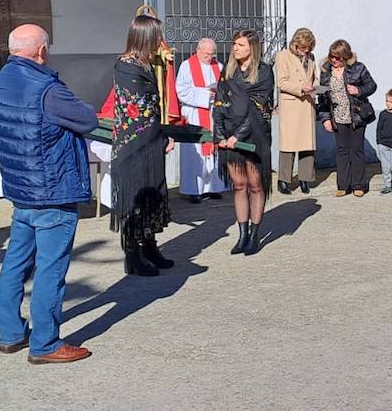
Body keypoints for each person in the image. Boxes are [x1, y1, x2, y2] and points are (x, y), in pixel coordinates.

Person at [0, 24, 94, 364]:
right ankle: (45, 343)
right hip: (53, 190)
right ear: (41, 51)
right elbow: (87, 119)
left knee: (16, 263)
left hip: (21, 189)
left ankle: (11, 333)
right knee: (50, 268)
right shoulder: (47, 88)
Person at [108, 16, 178, 277]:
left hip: (150, 143)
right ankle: (132, 254)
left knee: (152, 195)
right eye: (156, 36)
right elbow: (141, 110)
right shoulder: (126, 65)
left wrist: (163, 135)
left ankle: (149, 246)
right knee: (135, 199)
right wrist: (160, 136)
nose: (159, 41)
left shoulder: (147, 64)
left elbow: (156, 107)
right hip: (133, 147)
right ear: (144, 37)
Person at [214, 30, 276, 255]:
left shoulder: (264, 72)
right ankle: (242, 235)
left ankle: (255, 234)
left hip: (254, 136)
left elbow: (259, 109)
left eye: (240, 44)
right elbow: (219, 103)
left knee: (255, 185)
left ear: (252, 47)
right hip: (229, 136)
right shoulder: (227, 71)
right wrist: (220, 134)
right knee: (239, 185)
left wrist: (238, 136)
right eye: (234, 44)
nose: (235, 48)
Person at [319, 39, 378, 197]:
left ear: (345, 57)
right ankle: (343, 185)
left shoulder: (358, 68)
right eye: (332, 57)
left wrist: (358, 90)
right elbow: (322, 98)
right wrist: (325, 119)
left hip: (356, 115)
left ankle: (359, 185)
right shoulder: (325, 71)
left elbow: (372, 85)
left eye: (338, 58)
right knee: (342, 151)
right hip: (337, 116)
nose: (334, 60)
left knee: (356, 150)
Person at [175, 38, 227, 203]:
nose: (209, 57)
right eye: (206, 54)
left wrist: (218, 93)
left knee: (214, 152)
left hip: (213, 113)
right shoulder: (186, 66)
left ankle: (213, 187)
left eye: (212, 54)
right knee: (195, 153)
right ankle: (194, 189)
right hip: (195, 114)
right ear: (198, 50)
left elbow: (226, 87)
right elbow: (181, 90)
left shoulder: (218, 66)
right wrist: (206, 94)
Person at [275, 28, 318, 194]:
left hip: (307, 104)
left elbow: (314, 77)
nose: (306, 51)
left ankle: (305, 178)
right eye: (303, 47)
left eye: (309, 47)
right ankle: (284, 180)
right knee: (288, 144)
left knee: (307, 144)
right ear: (295, 44)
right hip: (292, 103)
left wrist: (315, 86)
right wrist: (301, 87)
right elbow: (282, 82)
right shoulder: (283, 56)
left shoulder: (311, 57)